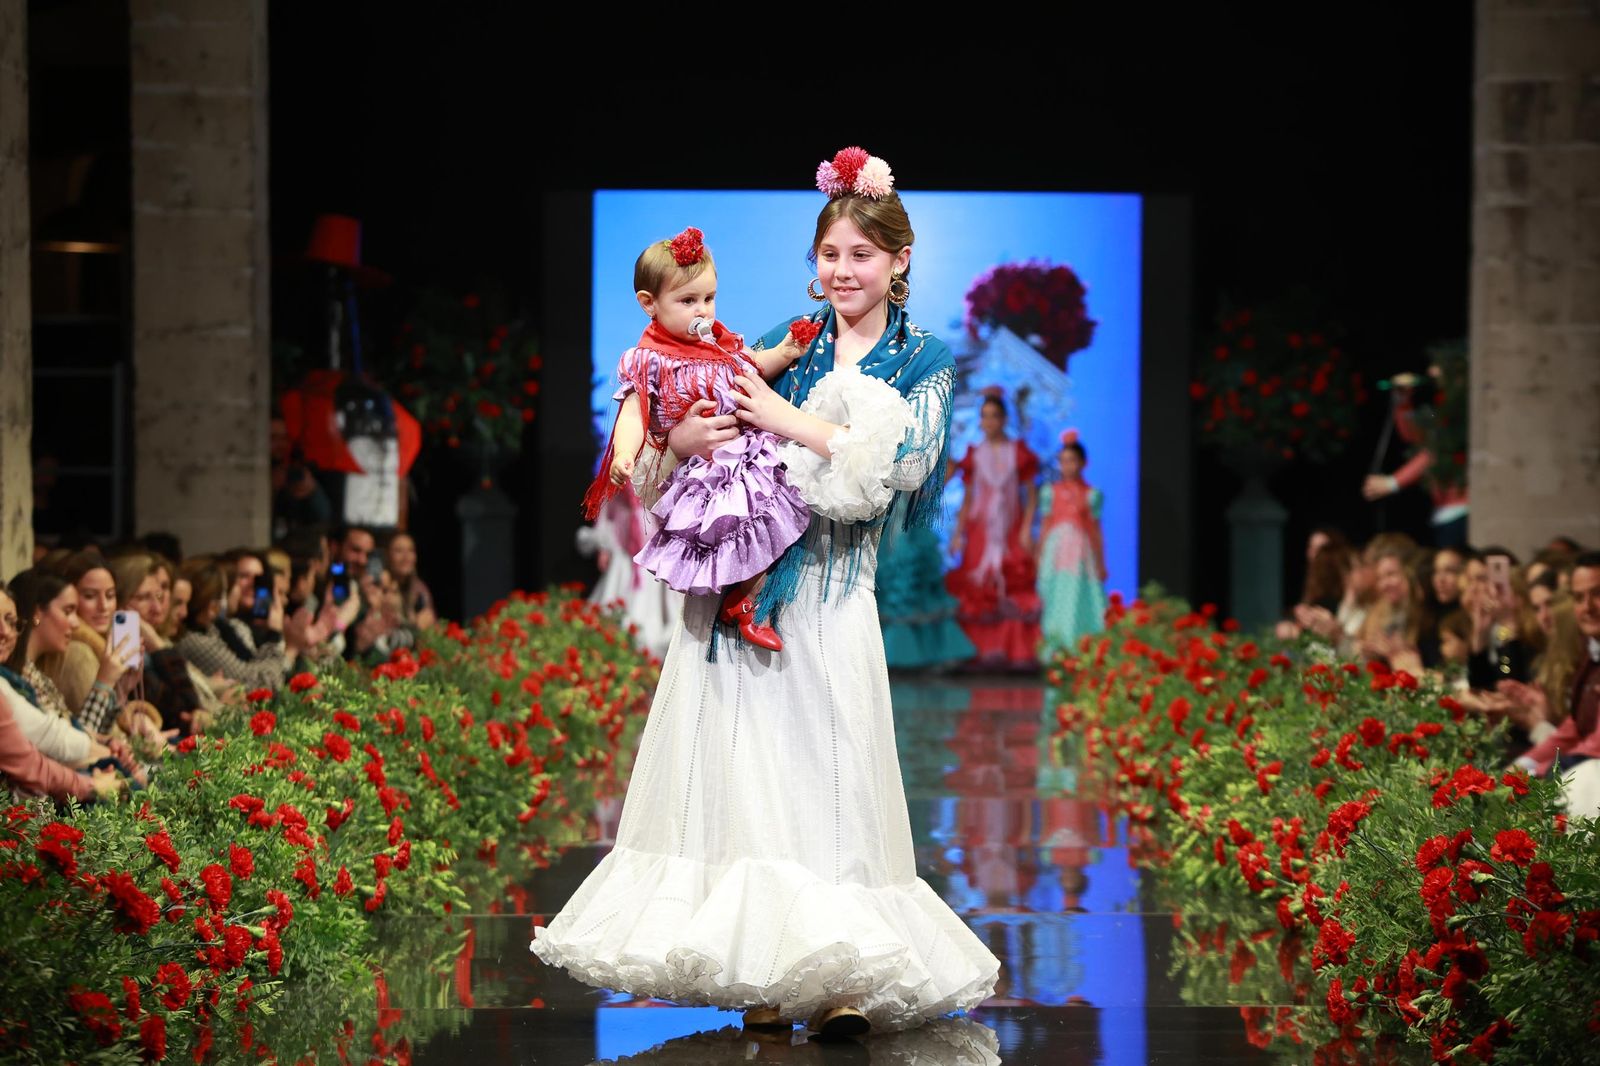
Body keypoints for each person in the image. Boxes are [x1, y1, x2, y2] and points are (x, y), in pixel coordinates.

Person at [533, 148, 1000, 1038]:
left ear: (899, 259)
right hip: (738, 588)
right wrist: (682, 443)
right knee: (748, 782)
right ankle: (766, 971)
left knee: (833, 781)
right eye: (831, 254)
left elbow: (907, 466)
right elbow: (664, 460)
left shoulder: (924, 359)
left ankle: (843, 976)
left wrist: (790, 420)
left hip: (833, 592)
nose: (844, 271)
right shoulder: (783, 338)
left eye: (862, 255)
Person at [582, 226, 812, 652]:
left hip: (738, 452)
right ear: (649, 304)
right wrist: (625, 453)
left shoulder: (719, 345)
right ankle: (739, 604)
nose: (703, 311)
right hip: (699, 471)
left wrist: (785, 351)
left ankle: (744, 600)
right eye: (688, 301)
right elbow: (633, 412)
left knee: (770, 510)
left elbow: (752, 366)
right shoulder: (650, 359)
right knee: (730, 525)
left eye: (709, 298)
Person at [945, 389, 1042, 670]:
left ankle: (1014, 649)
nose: (988, 422)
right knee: (980, 585)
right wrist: (958, 534)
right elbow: (968, 498)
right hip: (981, 529)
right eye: (984, 416)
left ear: (1004, 419)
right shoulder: (975, 454)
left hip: (1010, 527)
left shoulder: (1018, 452)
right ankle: (980, 650)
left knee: (1012, 581)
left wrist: (1026, 528)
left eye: (994, 416)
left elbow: (1031, 496)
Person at [1036, 430, 1107, 656]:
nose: (1067, 466)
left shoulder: (1091, 494)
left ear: (1083, 463)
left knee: (1078, 596)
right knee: (1055, 596)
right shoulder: (1050, 492)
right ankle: (1055, 648)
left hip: (1081, 553)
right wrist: (1039, 554)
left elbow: (1095, 529)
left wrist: (1101, 562)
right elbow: (1046, 525)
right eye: (1063, 461)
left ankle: (1079, 647)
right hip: (1056, 552)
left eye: (1072, 460)